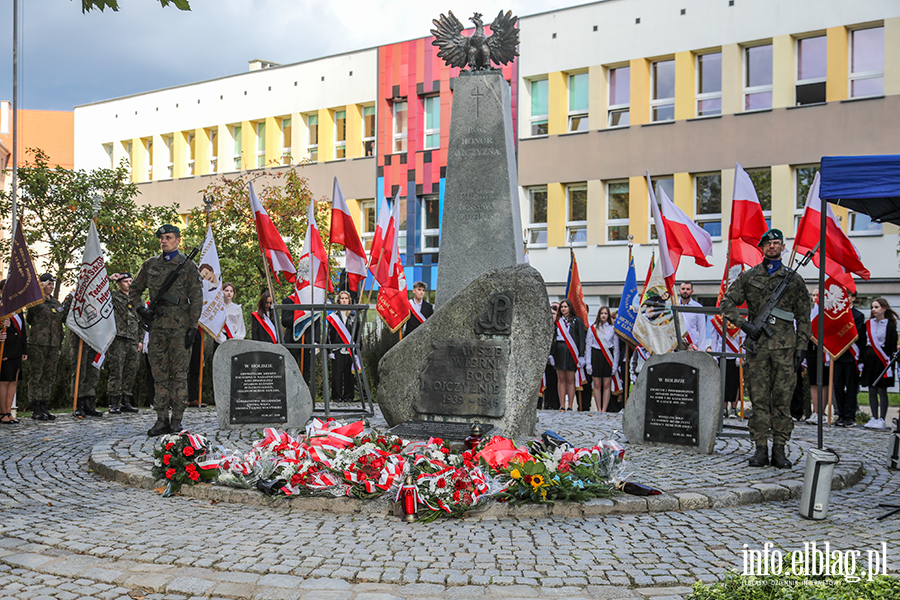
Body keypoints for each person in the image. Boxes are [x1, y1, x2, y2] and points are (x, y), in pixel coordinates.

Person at [721, 229, 811, 469]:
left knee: (783, 400)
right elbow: (726, 302)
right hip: (757, 347)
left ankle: (779, 450)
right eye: (768, 243)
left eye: (777, 243)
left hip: (785, 349)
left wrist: (802, 346)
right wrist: (745, 325)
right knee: (759, 400)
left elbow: (804, 316)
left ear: (783, 247)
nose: (773, 246)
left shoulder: (793, 280)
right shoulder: (749, 276)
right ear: (761, 248)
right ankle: (760, 449)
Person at [129, 223, 203, 437]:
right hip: (158, 327)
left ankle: (177, 420)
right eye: (162, 238)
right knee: (159, 374)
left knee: (179, 375)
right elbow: (134, 289)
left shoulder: (188, 266)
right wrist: (141, 309)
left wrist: (193, 326)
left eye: (169, 237)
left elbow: (197, 298)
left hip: (180, 328)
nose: (164, 241)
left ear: (178, 240)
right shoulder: (150, 264)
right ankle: (161, 419)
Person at [26, 273, 71, 421]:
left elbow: (61, 323)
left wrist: (59, 345)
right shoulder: (36, 301)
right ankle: (36, 407)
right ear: (41, 285)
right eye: (48, 283)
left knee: (49, 377)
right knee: (36, 376)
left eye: (52, 284)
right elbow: (30, 319)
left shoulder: (57, 304)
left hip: (53, 345)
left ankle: (45, 405)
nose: (51, 286)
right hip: (38, 344)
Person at [861, 297, 898, 430]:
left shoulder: (890, 325)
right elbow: (863, 343)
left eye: (876, 307)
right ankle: (874, 417)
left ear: (884, 308)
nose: (873, 310)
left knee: (882, 389)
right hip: (870, 359)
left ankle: (882, 418)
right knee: (871, 389)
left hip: (882, 360)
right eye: (872, 307)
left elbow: (891, 345)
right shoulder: (868, 324)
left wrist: (889, 363)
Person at [106, 272, 141, 414]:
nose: (129, 283)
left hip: (133, 339)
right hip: (118, 338)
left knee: (131, 371)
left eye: (130, 281)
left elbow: (141, 320)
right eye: (125, 281)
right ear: (119, 283)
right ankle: (113, 402)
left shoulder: (136, 299)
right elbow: (100, 291)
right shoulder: (114, 296)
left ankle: (126, 401)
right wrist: (109, 279)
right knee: (116, 371)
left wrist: (140, 340)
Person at [832, 289, 866, 427]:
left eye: (848, 296)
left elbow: (854, 334)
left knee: (851, 387)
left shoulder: (858, 315)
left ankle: (849, 416)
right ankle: (840, 414)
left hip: (851, 356)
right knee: (838, 386)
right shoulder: (835, 314)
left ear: (853, 298)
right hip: (837, 356)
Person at [551, 298, 585, 412]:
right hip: (559, 351)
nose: (563, 309)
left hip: (571, 351)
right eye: (562, 307)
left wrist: (581, 355)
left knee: (570, 379)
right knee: (561, 379)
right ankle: (562, 405)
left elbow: (581, 339)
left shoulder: (577, 321)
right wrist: (551, 354)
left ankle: (570, 405)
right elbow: (552, 338)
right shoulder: (557, 321)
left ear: (570, 308)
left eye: (565, 306)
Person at [0, 280, 27, 424]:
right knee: (4, 381)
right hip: (4, 350)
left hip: (17, 349)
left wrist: (24, 349)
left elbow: (23, 331)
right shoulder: (1, 307)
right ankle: (2, 412)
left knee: (13, 382)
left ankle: (9, 412)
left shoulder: (18, 309)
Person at [327, 290, 360, 402]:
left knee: (349, 374)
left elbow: (358, 334)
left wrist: (357, 352)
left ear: (349, 300)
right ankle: (336, 397)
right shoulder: (333, 317)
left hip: (350, 350)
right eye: (342, 298)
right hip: (337, 349)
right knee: (336, 375)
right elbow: (329, 335)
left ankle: (348, 396)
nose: (344, 300)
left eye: (346, 298)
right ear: (339, 300)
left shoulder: (354, 316)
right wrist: (330, 350)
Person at [708, 321, 745, 419]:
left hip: (736, 353)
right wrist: (715, 355)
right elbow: (714, 339)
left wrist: (741, 354)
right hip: (722, 353)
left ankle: (733, 408)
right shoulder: (717, 320)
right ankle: (723, 408)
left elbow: (744, 338)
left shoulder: (741, 319)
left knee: (735, 382)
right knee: (723, 382)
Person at [586, 306, 618, 412]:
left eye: (605, 313)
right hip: (596, 356)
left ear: (608, 315)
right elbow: (588, 346)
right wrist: (588, 363)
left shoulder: (613, 329)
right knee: (597, 384)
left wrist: (615, 364)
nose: (603, 315)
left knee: (606, 384)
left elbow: (616, 348)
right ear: (598, 315)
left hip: (608, 357)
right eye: (602, 313)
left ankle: (604, 409)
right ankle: (598, 409)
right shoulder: (593, 328)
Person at [539, 302, 561, 410]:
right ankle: (547, 404)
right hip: (545, 359)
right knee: (546, 383)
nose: (552, 315)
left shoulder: (559, 327)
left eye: (554, 313)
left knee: (555, 382)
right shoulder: (545, 326)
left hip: (556, 358)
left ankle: (556, 404)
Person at [678, 281, 706, 350]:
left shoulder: (698, 307)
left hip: (692, 346)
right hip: (676, 345)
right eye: (683, 289)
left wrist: (701, 350)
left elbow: (702, 330)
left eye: (688, 289)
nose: (685, 291)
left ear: (692, 291)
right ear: (679, 290)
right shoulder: (673, 306)